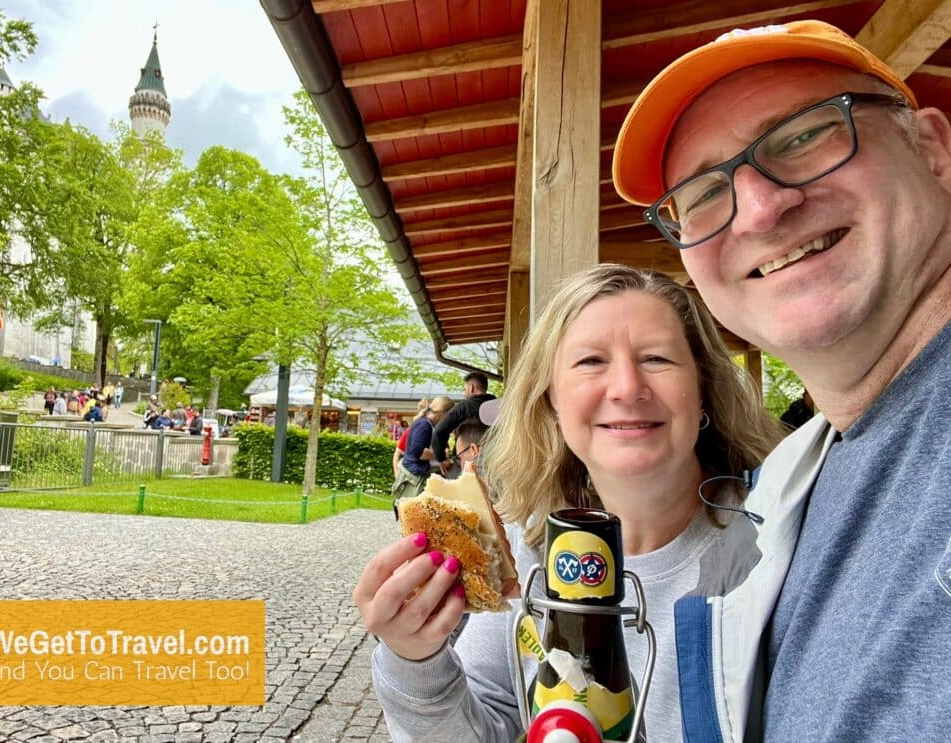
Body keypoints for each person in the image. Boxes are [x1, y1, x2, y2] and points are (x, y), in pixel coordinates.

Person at [610, 20, 951, 741]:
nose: (762, 208)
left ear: (931, 148)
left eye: (802, 136)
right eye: (702, 192)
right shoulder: (790, 486)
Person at [356, 264, 784, 741]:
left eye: (657, 358)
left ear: (702, 389)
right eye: (590, 361)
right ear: (552, 399)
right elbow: (486, 722)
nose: (626, 387)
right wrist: (415, 660)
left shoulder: (776, 539)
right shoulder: (528, 545)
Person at [390, 395, 456, 506]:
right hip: (417, 478)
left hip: (418, 475)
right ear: (443, 412)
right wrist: (440, 455)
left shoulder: (426, 423)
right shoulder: (424, 425)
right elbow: (418, 452)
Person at [430, 372, 496, 476]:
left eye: (464, 389)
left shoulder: (464, 407)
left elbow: (439, 431)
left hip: (466, 461)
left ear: (471, 387)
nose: (464, 393)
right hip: (494, 461)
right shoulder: (498, 406)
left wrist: (441, 458)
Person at [393, 398, 430, 477]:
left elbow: (397, 453)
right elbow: (398, 453)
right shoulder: (416, 429)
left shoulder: (411, 429)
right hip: (419, 475)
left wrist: (396, 475)